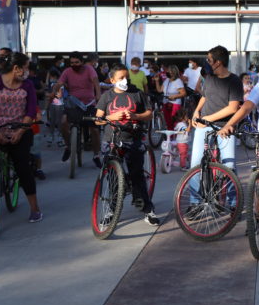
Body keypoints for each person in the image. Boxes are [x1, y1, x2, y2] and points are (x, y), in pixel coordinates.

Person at [0, 52, 43, 222]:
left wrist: (20, 131)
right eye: (26, 67)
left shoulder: (27, 85)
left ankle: (35, 208)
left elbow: (31, 111)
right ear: (16, 68)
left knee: (22, 166)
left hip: (20, 130)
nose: (27, 71)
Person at [95, 64, 159, 225]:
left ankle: (147, 208)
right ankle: (112, 209)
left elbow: (149, 114)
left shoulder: (137, 93)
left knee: (137, 175)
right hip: (111, 140)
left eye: (126, 77)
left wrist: (135, 115)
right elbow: (98, 119)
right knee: (113, 177)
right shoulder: (106, 96)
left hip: (132, 139)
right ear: (112, 80)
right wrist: (112, 117)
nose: (124, 80)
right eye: (120, 78)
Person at [190, 45, 244, 177]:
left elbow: (233, 108)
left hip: (224, 127)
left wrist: (208, 119)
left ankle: (233, 198)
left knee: (228, 168)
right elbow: (205, 96)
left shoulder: (235, 81)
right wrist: (196, 111)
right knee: (196, 166)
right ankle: (195, 198)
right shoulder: (209, 77)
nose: (207, 63)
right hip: (203, 125)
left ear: (218, 62)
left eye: (209, 60)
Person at [50, 51, 102, 167]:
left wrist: (98, 95)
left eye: (77, 62)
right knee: (63, 123)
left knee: (94, 130)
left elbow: (96, 83)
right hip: (73, 104)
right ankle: (68, 146)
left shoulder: (89, 69)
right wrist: (54, 91)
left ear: (82, 62)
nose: (74, 64)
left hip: (89, 104)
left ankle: (96, 155)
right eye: (72, 62)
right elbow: (59, 83)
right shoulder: (67, 71)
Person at [156, 65, 186, 130]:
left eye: (169, 71)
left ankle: (176, 137)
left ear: (173, 72)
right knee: (168, 122)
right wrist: (157, 81)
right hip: (166, 103)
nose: (167, 72)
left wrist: (174, 96)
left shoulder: (178, 81)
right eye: (167, 71)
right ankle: (170, 138)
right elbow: (160, 90)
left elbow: (183, 93)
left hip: (175, 104)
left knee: (174, 122)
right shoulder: (167, 80)